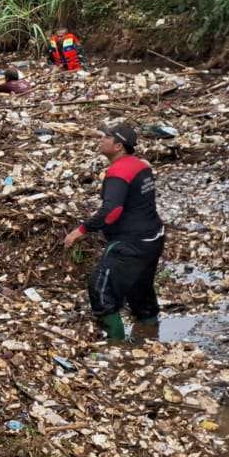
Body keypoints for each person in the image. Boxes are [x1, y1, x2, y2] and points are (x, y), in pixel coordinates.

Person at [63, 124, 164, 341]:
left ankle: (116, 347)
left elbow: (112, 210)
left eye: (107, 137)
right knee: (140, 289)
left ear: (118, 146)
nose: (101, 139)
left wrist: (81, 230)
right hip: (153, 238)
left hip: (131, 243)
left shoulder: (118, 172)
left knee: (100, 289)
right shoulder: (140, 166)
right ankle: (150, 337)